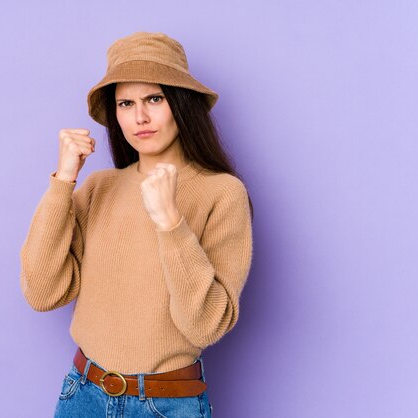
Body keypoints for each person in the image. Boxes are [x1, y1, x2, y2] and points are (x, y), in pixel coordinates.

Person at [20, 31, 253, 417]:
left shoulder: (222, 193)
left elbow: (205, 326)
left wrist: (171, 224)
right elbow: (42, 292)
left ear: (181, 104)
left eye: (154, 99)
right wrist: (63, 182)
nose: (139, 117)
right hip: (84, 396)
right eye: (126, 103)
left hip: (168, 404)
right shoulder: (99, 188)